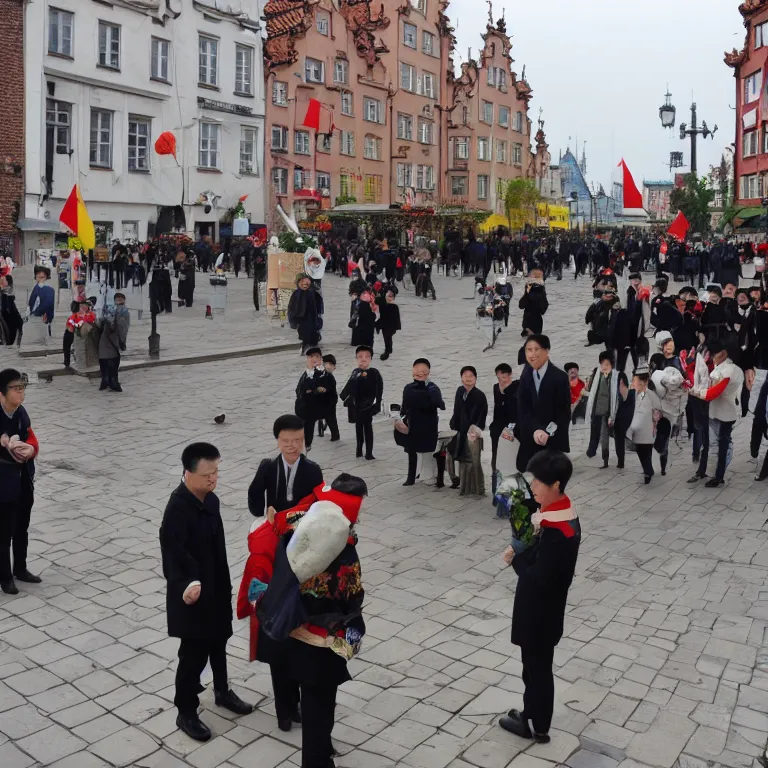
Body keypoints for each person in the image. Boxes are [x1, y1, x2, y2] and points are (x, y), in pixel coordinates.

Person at [241, 473, 367, 768]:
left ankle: (318, 748)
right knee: (319, 707)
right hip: (321, 641)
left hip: (288, 628)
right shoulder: (343, 550)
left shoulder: (295, 523)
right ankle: (317, 760)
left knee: (311, 701)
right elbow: (351, 595)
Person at [159, 442, 254, 741]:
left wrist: (223, 585)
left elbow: (218, 551)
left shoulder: (210, 502)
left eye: (216, 473)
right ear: (188, 473)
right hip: (192, 594)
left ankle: (223, 691)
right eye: (207, 475)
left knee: (219, 641)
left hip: (216, 588)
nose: (213, 480)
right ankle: (185, 711)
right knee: (193, 654)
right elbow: (173, 555)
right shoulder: (176, 510)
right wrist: (190, 584)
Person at [499, 450, 580, 745]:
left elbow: (539, 577)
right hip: (547, 611)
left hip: (538, 612)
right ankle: (534, 716)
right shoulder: (563, 514)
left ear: (556, 485)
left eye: (538, 482)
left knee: (537, 670)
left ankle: (535, 723)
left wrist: (515, 557)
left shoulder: (559, 532)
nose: (533, 487)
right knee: (536, 667)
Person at [0, 369, 41, 595]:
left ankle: (21, 568)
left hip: (23, 477)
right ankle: (5, 577)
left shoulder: (21, 413)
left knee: (22, 526)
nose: (21, 392)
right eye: (15, 388)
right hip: (4, 482)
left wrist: (30, 450)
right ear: (1, 394)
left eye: (22, 387)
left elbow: (30, 437)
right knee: (4, 531)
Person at [689, 340, 745, 488]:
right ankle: (710, 472)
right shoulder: (723, 367)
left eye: (716, 353)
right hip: (715, 411)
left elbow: (714, 392)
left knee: (722, 445)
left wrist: (696, 391)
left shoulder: (729, 371)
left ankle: (718, 476)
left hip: (725, 413)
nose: (713, 356)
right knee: (712, 443)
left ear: (725, 353)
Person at [248, 414, 324, 518]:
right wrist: (261, 512)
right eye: (286, 441)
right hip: (275, 525)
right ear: (277, 441)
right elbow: (255, 493)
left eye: (297, 440)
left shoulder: (313, 470)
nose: (291, 446)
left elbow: (319, 502)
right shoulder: (268, 467)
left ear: (303, 440)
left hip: (303, 527)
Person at [514, 335, 571, 472]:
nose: (532, 354)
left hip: (551, 438)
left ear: (547, 350)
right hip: (531, 436)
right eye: (528, 350)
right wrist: (535, 429)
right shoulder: (526, 375)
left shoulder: (560, 377)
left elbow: (564, 412)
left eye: (536, 349)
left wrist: (547, 432)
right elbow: (523, 407)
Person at [400, 358, 445, 486]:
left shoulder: (433, 388)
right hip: (413, 423)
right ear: (413, 371)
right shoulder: (408, 388)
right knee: (412, 451)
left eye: (423, 371)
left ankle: (428, 473)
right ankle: (411, 477)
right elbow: (404, 406)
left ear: (428, 372)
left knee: (428, 451)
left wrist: (429, 386)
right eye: (417, 370)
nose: (420, 373)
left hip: (428, 424)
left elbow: (438, 402)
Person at [448, 366, 488, 495]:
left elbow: (482, 415)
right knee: (462, 460)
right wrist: (454, 424)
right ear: (461, 378)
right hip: (461, 430)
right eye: (465, 376)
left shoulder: (479, 395)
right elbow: (456, 410)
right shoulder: (460, 391)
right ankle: (464, 487)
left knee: (473, 461)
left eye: (471, 376)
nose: (468, 379)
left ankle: (478, 489)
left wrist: (475, 430)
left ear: (476, 379)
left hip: (473, 432)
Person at [340, 345, 383, 460]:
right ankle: (359, 450)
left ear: (370, 359)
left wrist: (378, 403)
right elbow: (348, 388)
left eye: (366, 357)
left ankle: (369, 452)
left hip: (368, 406)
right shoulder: (355, 372)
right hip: (356, 406)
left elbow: (379, 389)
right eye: (360, 357)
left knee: (368, 429)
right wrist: (344, 396)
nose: (363, 359)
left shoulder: (374, 373)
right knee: (358, 429)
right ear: (356, 358)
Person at [295, 347, 336, 451]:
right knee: (308, 425)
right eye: (311, 357)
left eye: (316, 356)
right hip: (307, 407)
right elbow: (300, 390)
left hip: (323, 405)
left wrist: (318, 390)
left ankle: (333, 434)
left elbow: (330, 388)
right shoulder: (306, 374)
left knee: (329, 420)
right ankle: (307, 444)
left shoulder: (325, 374)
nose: (314, 359)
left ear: (321, 358)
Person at [626, 366, 662, 484]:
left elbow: (658, 407)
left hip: (648, 428)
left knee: (645, 450)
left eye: (634, 380)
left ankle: (648, 471)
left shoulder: (650, 394)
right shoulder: (634, 394)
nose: (633, 383)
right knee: (640, 450)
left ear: (642, 382)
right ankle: (648, 469)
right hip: (636, 428)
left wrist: (655, 417)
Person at [584, 351, 619, 469]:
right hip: (596, 409)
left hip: (606, 412)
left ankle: (605, 459)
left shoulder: (614, 377)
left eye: (607, 364)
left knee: (604, 437)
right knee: (594, 431)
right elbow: (589, 389)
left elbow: (616, 396)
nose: (604, 366)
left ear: (612, 365)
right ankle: (591, 450)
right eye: (603, 364)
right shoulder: (596, 373)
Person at [489, 363, 518, 494]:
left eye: (504, 377)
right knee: (495, 459)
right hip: (497, 429)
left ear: (510, 375)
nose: (501, 380)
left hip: (511, 430)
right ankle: (497, 491)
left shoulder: (516, 388)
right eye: (499, 377)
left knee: (508, 461)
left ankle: (510, 490)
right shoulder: (496, 388)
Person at [288, 274, 323, 354]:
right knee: (303, 333)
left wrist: (318, 316)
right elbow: (291, 307)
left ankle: (310, 346)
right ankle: (305, 345)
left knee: (312, 332)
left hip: (312, 317)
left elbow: (319, 306)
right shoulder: (296, 294)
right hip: (301, 318)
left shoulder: (313, 294)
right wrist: (292, 318)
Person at [63, 299, 96, 368]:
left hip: (79, 332)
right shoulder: (86, 314)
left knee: (70, 347)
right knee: (68, 347)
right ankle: (68, 362)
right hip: (75, 331)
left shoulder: (90, 314)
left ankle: (68, 362)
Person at [316, 354, 340, 441]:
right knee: (327, 417)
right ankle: (324, 430)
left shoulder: (330, 377)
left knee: (331, 418)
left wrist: (324, 390)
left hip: (330, 400)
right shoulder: (322, 374)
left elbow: (330, 389)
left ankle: (335, 435)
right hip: (324, 400)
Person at [28, 265, 55, 339]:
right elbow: (31, 301)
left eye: (42, 277)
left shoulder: (49, 289)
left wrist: (48, 317)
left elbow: (49, 304)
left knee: (40, 338)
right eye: (38, 277)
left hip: (42, 317)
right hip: (34, 317)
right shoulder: (36, 287)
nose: (40, 279)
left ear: (46, 278)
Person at [519, 268, 548, 336]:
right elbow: (521, 306)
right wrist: (527, 293)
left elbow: (543, 310)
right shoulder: (530, 289)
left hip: (533, 323)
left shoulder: (540, 291)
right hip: (530, 322)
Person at [376, 289, 401, 361]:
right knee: (386, 337)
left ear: (393, 298)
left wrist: (396, 327)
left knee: (387, 337)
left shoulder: (394, 306)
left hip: (391, 325)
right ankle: (389, 349)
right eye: (387, 296)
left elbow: (396, 318)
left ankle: (388, 350)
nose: (389, 298)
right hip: (384, 324)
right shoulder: (383, 304)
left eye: (390, 296)